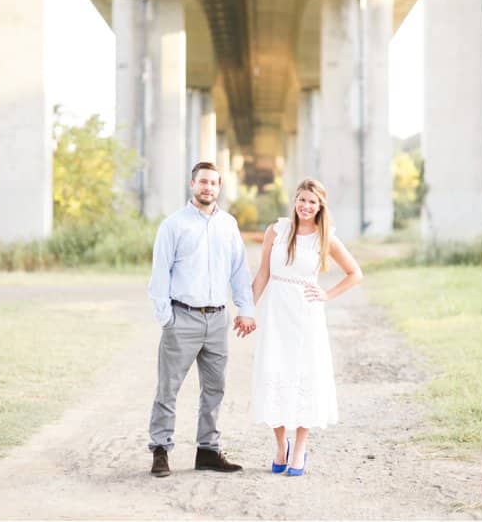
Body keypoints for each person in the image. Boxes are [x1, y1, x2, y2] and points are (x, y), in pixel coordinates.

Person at [146, 161, 256, 478]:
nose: (208, 187)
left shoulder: (228, 225)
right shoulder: (173, 225)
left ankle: (208, 451)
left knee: (215, 389)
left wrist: (245, 308)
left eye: (213, 183)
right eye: (202, 182)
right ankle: (161, 450)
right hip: (183, 318)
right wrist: (167, 319)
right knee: (168, 389)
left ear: (219, 187)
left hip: (218, 319)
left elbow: (238, 271)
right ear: (192, 184)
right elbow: (159, 275)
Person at [250, 178, 362, 476]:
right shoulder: (276, 230)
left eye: (312, 201)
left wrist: (326, 294)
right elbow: (263, 273)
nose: (306, 206)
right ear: (294, 200)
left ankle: (299, 448)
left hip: (305, 315)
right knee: (273, 371)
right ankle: (279, 446)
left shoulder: (326, 237)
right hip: (276, 311)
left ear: (320, 205)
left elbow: (355, 273)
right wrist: (247, 310)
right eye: (302, 199)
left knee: (303, 376)